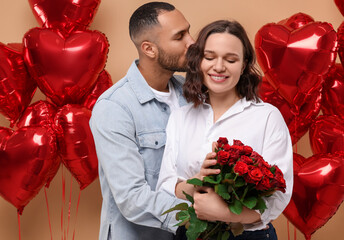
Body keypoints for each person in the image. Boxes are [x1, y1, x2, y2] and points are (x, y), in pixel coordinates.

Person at [156, 20, 293, 240]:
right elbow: (166, 184)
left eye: (230, 59)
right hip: (191, 233)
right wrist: (196, 183)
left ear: (244, 63)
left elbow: (278, 196)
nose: (219, 67)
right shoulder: (180, 117)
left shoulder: (267, 116)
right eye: (209, 57)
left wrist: (227, 213)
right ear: (199, 61)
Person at [89, 2, 195, 240]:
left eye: (189, 31)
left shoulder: (191, 94)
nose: (192, 42)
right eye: (180, 36)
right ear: (149, 49)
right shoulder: (114, 108)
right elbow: (132, 197)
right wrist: (202, 215)